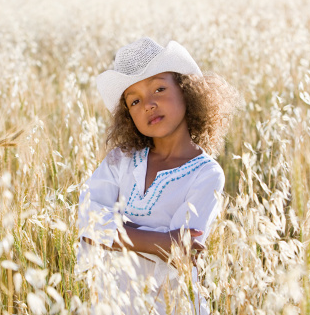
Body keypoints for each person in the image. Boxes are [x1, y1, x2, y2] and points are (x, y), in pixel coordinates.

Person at [76, 37, 241, 314]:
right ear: (128, 115)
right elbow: (87, 221)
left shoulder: (206, 173)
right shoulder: (120, 161)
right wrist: (162, 239)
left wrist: (115, 233)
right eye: (135, 101)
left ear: (187, 91)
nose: (149, 104)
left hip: (171, 305)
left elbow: (182, 252)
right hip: (113, 304)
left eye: (159, 89)